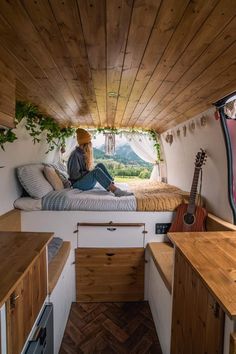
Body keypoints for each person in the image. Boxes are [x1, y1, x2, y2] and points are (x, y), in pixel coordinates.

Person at [67, 128, 134, 197]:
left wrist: (88, 172)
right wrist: (89, 172)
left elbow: (83, 171)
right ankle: (117, 192)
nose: (91, 144)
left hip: (83, 182)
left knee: (100, 165)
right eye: (89, 142)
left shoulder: (82, 153)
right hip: (77, 184)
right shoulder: (75, 155)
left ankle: (111, 185)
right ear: (85, 144)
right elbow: (74, 176)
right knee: (96, 171)